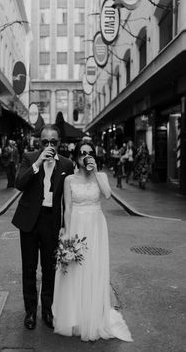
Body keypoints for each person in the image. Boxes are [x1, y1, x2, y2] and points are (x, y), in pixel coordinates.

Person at [52, 140, 133, 342]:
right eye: (82, 153)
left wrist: (96, 171)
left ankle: (94, 314)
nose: (86, 156)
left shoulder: (100, 176)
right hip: (78, 226)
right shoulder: (69, 179)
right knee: (77, 268)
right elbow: (68, 208)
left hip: (96, 227)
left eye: (90, 153)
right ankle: (76, 315)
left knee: (94, 267)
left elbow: (107, 195)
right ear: (77, 157)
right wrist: (67, 233)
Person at [12, 124, 74, 331]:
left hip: (51, 222)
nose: (49, 145)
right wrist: (38, 162)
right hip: (29, 221)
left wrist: (66, 226)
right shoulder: (29, 158)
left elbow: (68, 200)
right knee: (29, 268)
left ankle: (47, 310)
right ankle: (30, 311)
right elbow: (19, 183)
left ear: (59, 143)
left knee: (49, 268)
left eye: (53, 142)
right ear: (39, 143)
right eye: (45, 142)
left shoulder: (67, 164)